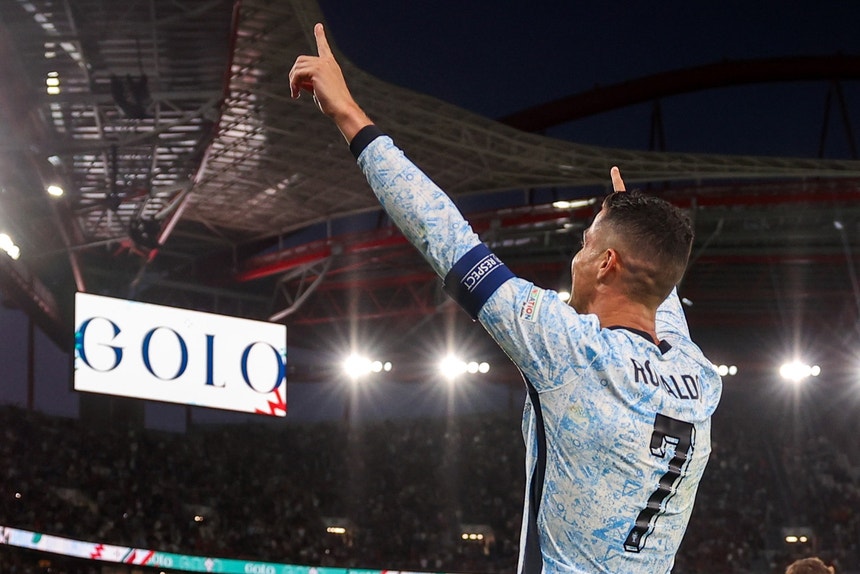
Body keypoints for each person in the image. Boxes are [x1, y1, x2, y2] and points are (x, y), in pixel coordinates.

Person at [290, 23, 722, 574]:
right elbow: (664, 294)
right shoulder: (699, 379)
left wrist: (348, 112)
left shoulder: (569, 349)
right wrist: (634, 225)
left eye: (587, 244)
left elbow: (444, 235)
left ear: (608, 263)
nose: (578, 255)